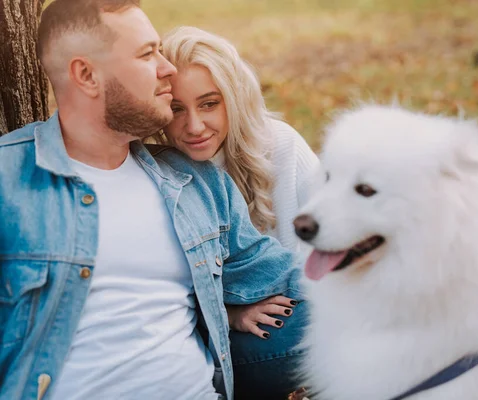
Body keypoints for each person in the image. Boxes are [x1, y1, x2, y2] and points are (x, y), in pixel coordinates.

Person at [0, 1, 305, 399]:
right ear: (86, 74)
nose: (168, 69)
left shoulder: (196, 181)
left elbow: (286, 280)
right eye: (148, 54)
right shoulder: (10, 180)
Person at [150, 26, 319, 399]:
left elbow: (331, 250)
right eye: (177, 109)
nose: (194, 127)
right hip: (213, 339)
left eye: (209, 103)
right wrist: (229, 314)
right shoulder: (158, 174)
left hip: (291, 304)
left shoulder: (280, 145)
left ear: (234, 99)